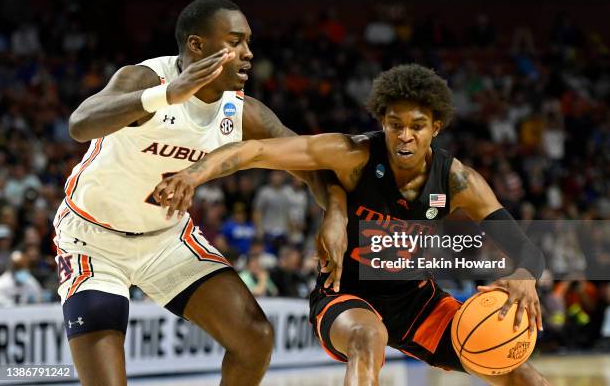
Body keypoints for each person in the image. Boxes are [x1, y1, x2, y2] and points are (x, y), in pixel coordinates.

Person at [155, 64, 551, 385]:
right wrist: (193, 175)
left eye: (417, 125)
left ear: (436, 127)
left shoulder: (457, 181)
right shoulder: (354, 154)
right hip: (345, 295)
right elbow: (256, 150)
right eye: (396, 124)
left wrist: (525, 275)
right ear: (382, 121)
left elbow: (526, 250)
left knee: (516, 371)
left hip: (417, 302)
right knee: (368, 337)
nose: (405, 136)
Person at [55, 0, 346, 386]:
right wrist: (166, 96)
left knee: (254, 338)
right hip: (93, 240)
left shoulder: (242, 113)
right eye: (235, 42)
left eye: (249, 43)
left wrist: (337, 217)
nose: (248, 53)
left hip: (166, 240)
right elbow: (80, 123)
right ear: (197, 45)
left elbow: (313, 169)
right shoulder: (145, 80)